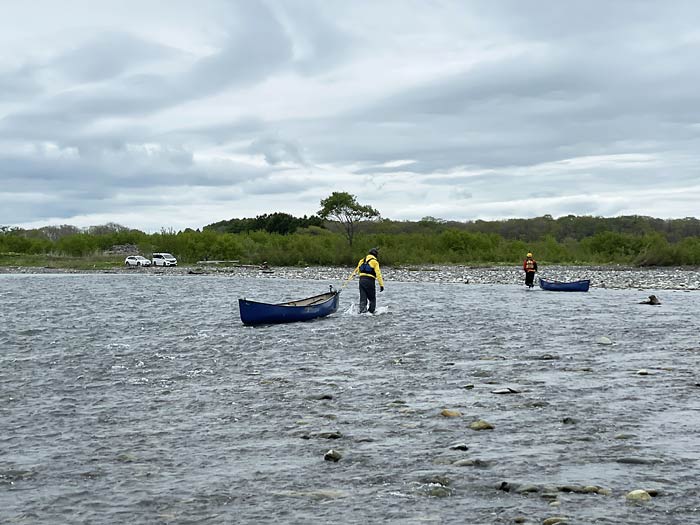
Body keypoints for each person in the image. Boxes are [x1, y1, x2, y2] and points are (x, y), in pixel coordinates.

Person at [348, 247, 385, 313]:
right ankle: (371, 312)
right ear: (375, 255)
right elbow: (378, 274)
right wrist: (381, 285)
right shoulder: (375, 262)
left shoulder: (361, 261)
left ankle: (362, 312)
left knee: (363, 298)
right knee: (372, 299)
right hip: (370, 281)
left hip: (361, 281)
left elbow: (357, 271)